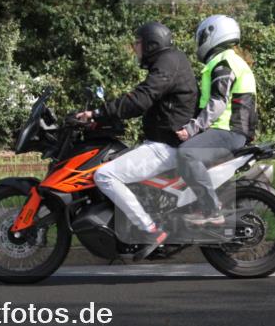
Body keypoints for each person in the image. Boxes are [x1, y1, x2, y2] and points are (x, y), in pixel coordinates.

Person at [76, 22, 198, 259]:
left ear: (152, 44)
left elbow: (141, 99)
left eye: (139, 43)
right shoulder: (169, 61)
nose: (136, 48)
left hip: (166, 146)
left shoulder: (167, 62)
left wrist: (98, 113)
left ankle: (150, 230)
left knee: (104, 175)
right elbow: (145, 101)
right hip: (164, 141)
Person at [175, 15, 257, 226]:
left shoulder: (223, 63)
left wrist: (192, 128)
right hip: (232, 130)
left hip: (228, 131)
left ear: (213, 35)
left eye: (201, 37)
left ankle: (210, 210)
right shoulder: (230, 60)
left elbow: (219, 101)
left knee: (187, 153)